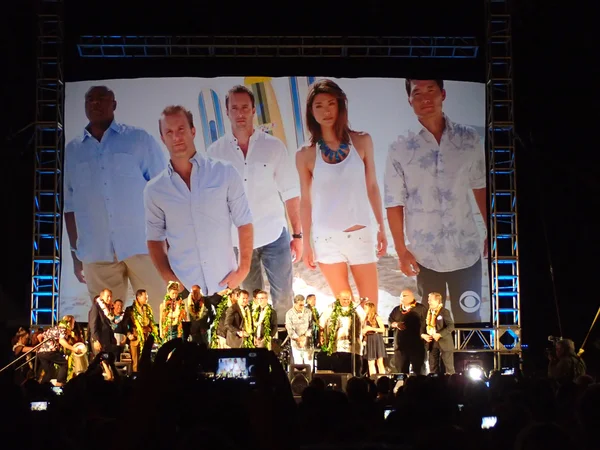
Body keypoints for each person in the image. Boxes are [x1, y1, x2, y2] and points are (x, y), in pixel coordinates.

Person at [384, 79, 487, 323]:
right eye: (417, 93)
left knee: (470, 318)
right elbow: (393, 202)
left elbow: (480, 185)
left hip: (466, 250)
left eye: (431, 90)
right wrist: (401, 250)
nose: (425, 98)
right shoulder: (400, 147)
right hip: (425, 255)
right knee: (431, 323)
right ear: (409, 100)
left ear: (443, 93)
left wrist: (491, 230)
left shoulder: (468, 139)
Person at [64, 85, 167, 313]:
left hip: (142, 245)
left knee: (158, 314)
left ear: (114, 105)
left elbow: (163, 191)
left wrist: (168, 241)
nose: (95, 104)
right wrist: (74, 254)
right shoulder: (72, 150)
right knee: (107, 324)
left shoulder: (138, 139)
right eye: (90, 99)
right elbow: (70, 206)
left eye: (102, 99)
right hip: (95, 251)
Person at [207, 85, 301, 320]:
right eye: (235, 108)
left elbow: (290, 192)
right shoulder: (214, 153)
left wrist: (297, 235)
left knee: (283, 298)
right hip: (237, 242)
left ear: (253, 110)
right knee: (248, 301)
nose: (240, 113)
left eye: (245, 108)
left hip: (274, 235)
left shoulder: (273, 146)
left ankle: (283, 348)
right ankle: (257, 349)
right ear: (227, 112)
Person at [143, 105, 253, 297]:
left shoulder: (224, 172)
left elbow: (244, 222)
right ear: (162, 138)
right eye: (169, 132)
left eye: (181, 129)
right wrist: (170, 279)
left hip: (226, 284)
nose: (176, 137)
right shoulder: (155, 190)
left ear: (193, 131)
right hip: (184, 289)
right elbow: (154, 239)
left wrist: (243, 269)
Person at [296, 79, 386, 306]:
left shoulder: (362, 141)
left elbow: (372, 187)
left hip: (361, 234)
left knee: (370, 308)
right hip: (326, 239)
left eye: (331, 104)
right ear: (311, 112)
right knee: (345, 312)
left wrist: (381, 227)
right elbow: (305, 202)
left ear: (340, 106)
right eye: (319, 106)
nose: (326, 111)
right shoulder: (305, 154)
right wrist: (306, 243)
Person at [388, 289, 427, 374]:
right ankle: (402, 386)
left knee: (418, 370)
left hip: (416, 345)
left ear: (411, 297)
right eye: (401, 295)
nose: (401, 297)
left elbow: (426, 324)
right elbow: (390, 321)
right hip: (400, 346)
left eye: (404, 295)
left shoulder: (420, 308)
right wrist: (396, 324)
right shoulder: (397, 310)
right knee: (401, 371)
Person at [36, 315, 83, 386]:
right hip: (50, 352)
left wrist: (44, 346)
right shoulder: (63, 329)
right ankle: (60, 383)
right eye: (73, 322)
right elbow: (61, 341)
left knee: (49, 372)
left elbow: (39, 336)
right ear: (69, 323)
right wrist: (74, 349)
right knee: (64, 363)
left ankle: (42, 388)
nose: (74, 324)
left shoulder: (54, 328)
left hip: (41, 353)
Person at [124, 289, 159, 373]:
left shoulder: (148, 309)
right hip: (135, 338)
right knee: (135, 362)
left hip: (146, 338)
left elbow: (151, 323)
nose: (147, 298)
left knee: (146, 360)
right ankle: (135, 380)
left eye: (147, 297)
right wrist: (129, 334)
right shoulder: (130, 309)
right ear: (138, 297)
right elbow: (125, 324)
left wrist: (150, 329)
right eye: (145, 297)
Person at [423, 292, 455, 374]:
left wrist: (440, 334)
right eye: (428, 300)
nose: (428, 302)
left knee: (448, 367)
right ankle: (434, 383)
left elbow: (451, 326)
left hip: (444, 342)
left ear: (437, 301)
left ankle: (451, 384)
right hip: (432, 343)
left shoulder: (444, 312)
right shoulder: (428, 312)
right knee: (433, 366)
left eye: (430, 300)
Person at [285, 294, 314, 369]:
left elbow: (311, 326)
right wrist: (298, 339)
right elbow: (289, 328)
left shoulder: (308, 312)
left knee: (309, 364)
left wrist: (305, 336)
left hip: (307, 342)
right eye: (300, 305)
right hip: (296, 343)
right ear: (295, 303)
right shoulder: (289, 314)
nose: (302, 306)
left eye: (303, 304)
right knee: (298, 364)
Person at [88, 288, 118, 356]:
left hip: (108, 341)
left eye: (111, 296)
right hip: (99, 340)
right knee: (101, 362)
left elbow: (112, 325)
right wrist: (95, 340)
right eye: (108, 296)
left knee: (108, 361)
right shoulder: (96, 307)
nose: (109, 298)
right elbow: (93, 325)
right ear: (102, 297)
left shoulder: (110, 309)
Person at [361, 301, 387, 376]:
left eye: (366, 308)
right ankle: (373, 379)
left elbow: (382, 329)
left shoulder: (376, 317)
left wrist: (371, 328)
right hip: (369, 339)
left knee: (379, 362)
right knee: (370, 362)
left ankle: (382, 379)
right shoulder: (365, 318)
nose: (364, 310)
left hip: (376, 339)